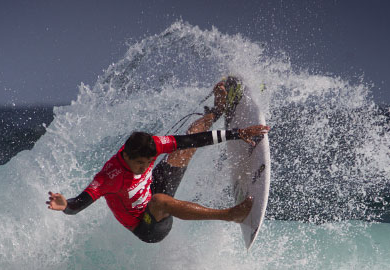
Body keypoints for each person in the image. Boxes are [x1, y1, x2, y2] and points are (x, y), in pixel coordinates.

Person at [47, 78, 270, 243]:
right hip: (147, 226)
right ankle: (231, 215)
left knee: (189, 140)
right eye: (140, 165)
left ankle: (217, 110)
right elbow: (77, 205)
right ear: (125, 156)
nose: (144, 168)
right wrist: (66, 205)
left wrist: (237, 133)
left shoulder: (154, 144)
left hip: (153, 189)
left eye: (148, 163)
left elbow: (192, 139)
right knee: (160, 201)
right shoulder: (108, 176)